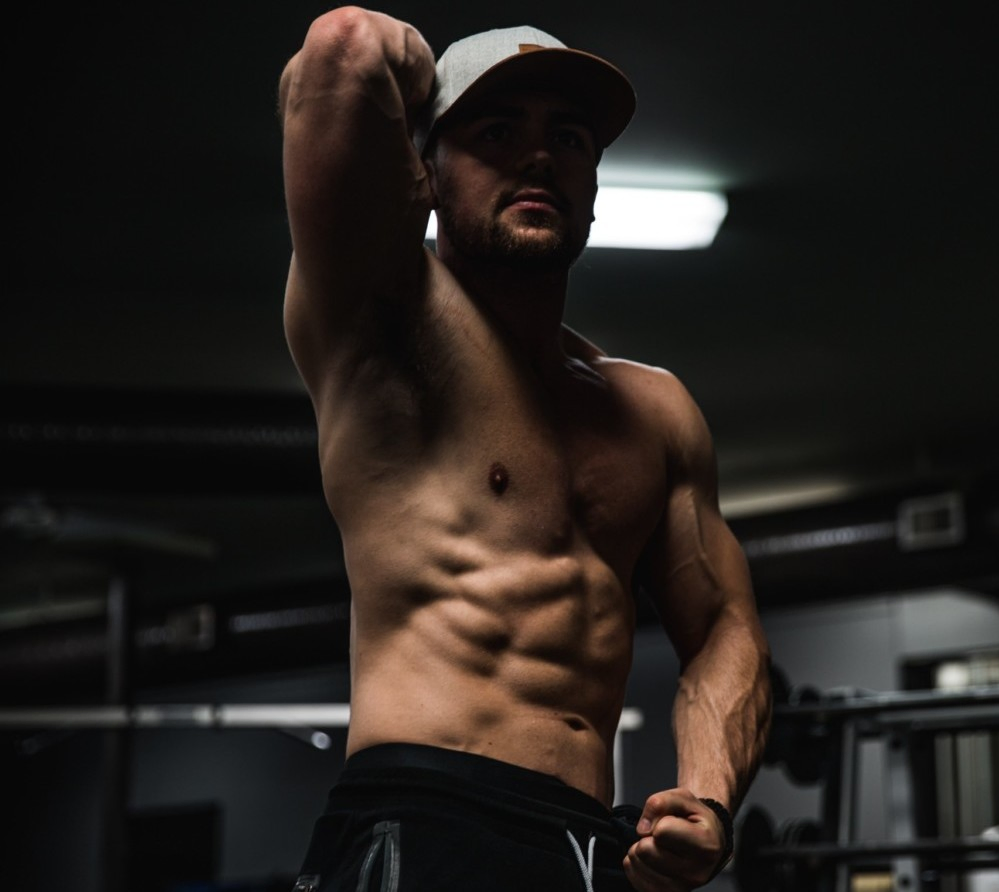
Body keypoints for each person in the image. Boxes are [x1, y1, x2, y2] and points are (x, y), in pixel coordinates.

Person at [277, 7, 772, 891]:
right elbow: (345, 50)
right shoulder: (381, 324)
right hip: (422, 820)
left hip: (587, 845)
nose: (539, 157)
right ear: (426, 169)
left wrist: (710, 799)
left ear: (594, 186)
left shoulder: (654, 409)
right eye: (498, 132)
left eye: (569, 138)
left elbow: (724, 627)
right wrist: (424, 108)